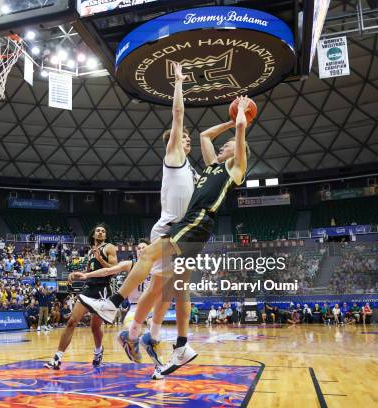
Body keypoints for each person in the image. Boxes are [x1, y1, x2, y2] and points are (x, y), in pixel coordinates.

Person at [81, 95, 253, 377]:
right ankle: (182, 345)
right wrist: (231, 121)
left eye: (229, 145)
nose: (222, 147)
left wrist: (242, 117)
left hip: (195, 223)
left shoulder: (235, 168)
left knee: (149, 256)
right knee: (180, 289)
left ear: (237, 151)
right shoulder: (212, 166)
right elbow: (205, 136)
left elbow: (241, 135)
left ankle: (113, 305)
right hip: (192, 227)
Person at [111, 62, 205, 380]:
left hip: (182, 233)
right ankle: (137, 331)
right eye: (183, 139)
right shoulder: (174, 156)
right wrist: (179, 82)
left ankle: (140, 333)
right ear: (173, 143)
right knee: (168, 289)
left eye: (189, 140)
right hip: (169, 229)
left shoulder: (191, 168)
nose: (186, 142)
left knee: (164, 289)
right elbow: (178, 117)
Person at [44, 224, 117, 370]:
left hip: (102, 290)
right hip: (89, 288)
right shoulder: (91, 251)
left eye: (103, 231)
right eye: (98, 230)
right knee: (71, 321)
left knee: (95, 327)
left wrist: (101, 260)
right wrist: (77, 274)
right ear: (93, 234)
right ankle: (57, 358)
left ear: (105, 235)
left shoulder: (109, 248)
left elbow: (113, 271)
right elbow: (89, 272)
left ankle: (98, 351)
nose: (101, 232)